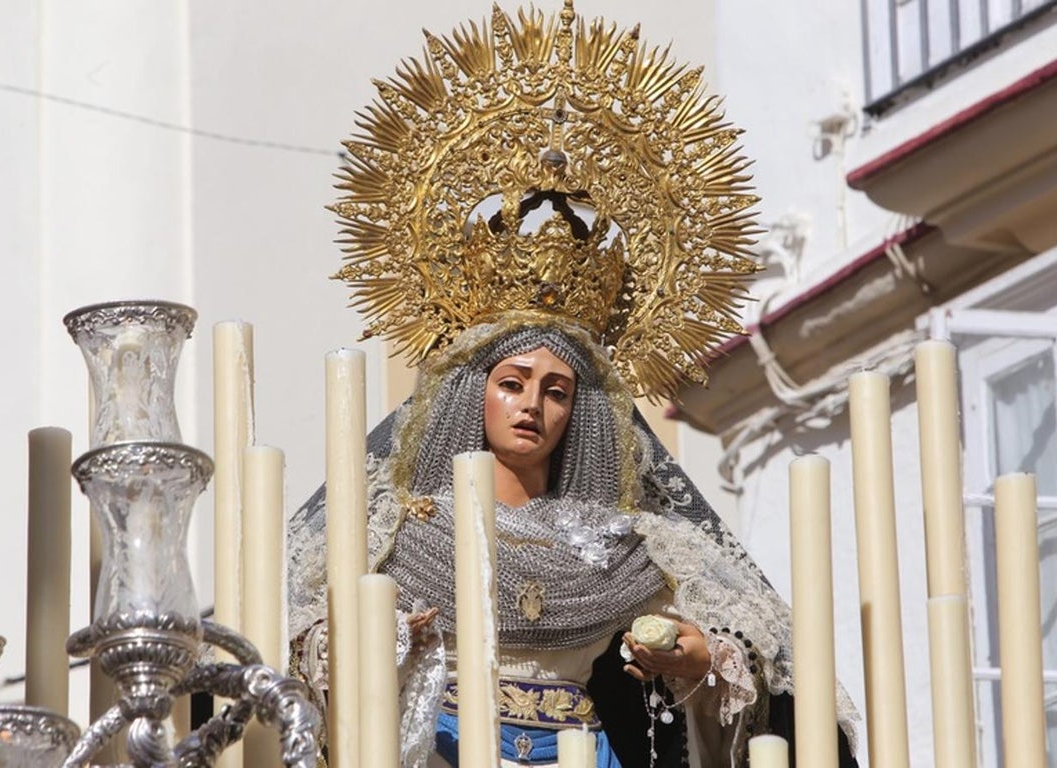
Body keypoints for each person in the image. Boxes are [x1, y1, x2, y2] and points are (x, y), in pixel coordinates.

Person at [287, 2, 860, 764]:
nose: (532, 404)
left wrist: (700, 659)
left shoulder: (625, 544)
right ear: (472, 391)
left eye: (556, 391)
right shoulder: (398, 525)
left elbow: (753, 655)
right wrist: (384, 634)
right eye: (513, 382)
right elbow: (296, 634)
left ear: (579, 412)